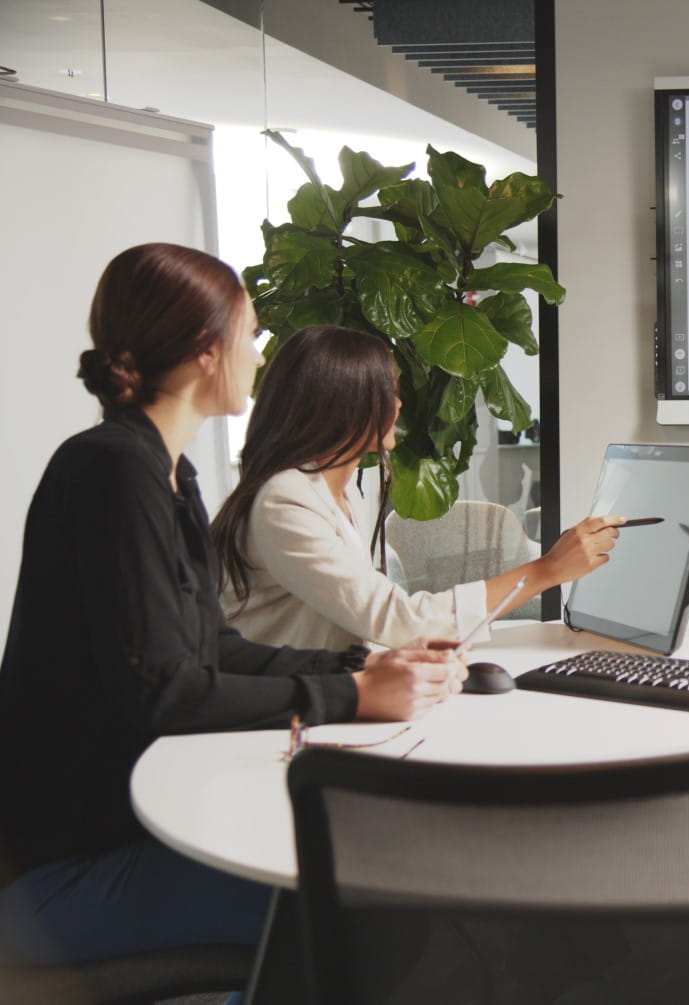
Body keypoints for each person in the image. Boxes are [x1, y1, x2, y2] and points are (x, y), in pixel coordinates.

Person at [0, 244, 466, 968]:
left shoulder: (168, 473)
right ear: (204, 352)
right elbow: (164, 690)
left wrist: (359, 663)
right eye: (248, 333)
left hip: (129, 829)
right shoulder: (112, 471)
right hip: (67, 874)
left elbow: (210, 645)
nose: (257, 354)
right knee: (379, 906)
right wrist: (349, 694)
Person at [210, 325, 620, 651]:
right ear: (346, 403)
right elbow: (395, 618)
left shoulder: (338, 492)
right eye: (389, 391)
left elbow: (368, 613)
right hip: (282, 717)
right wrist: (545, 570)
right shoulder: (286, 501)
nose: (399, 405)